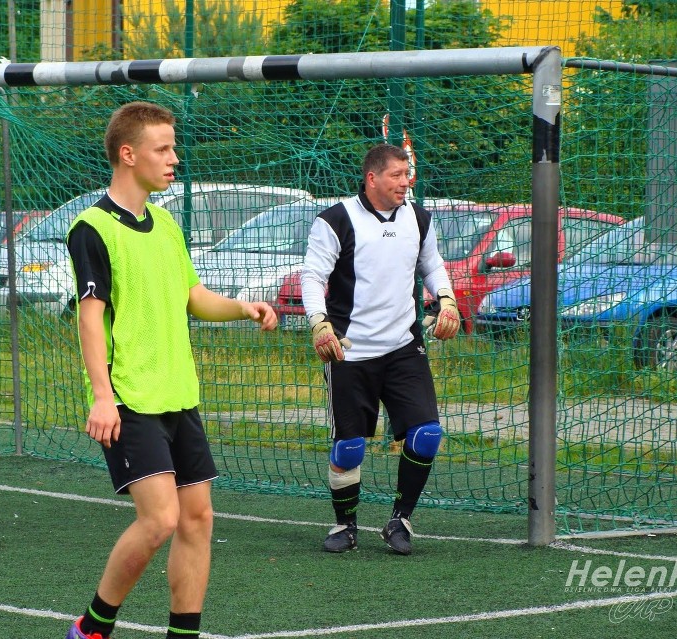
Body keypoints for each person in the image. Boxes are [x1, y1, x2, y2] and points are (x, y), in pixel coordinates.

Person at [64, 101, 278, 639]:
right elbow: (91, 319)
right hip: (130, 396)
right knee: (158, 520)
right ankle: (92, 628)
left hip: (179, 393)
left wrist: (241, 306)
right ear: (128, 153)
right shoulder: (90, 228)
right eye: (163, 148)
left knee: (198, 519)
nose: (174, 158)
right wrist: (101, 394)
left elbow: (192, 295)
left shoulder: (165, 224)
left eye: (174, 147)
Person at [300, 143, 460, 555]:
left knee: (426, 434)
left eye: (408, 175)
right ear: (372, 178)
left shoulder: (420, 219)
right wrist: (319, 324)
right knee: (349, 447)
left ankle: (400, 520)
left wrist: (446, 299)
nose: (406, 182)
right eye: (397, 175)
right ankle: (345, 526)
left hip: (404, 347)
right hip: (349, 352)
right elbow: (313, 276)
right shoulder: (335, 220)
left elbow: (432, 265)